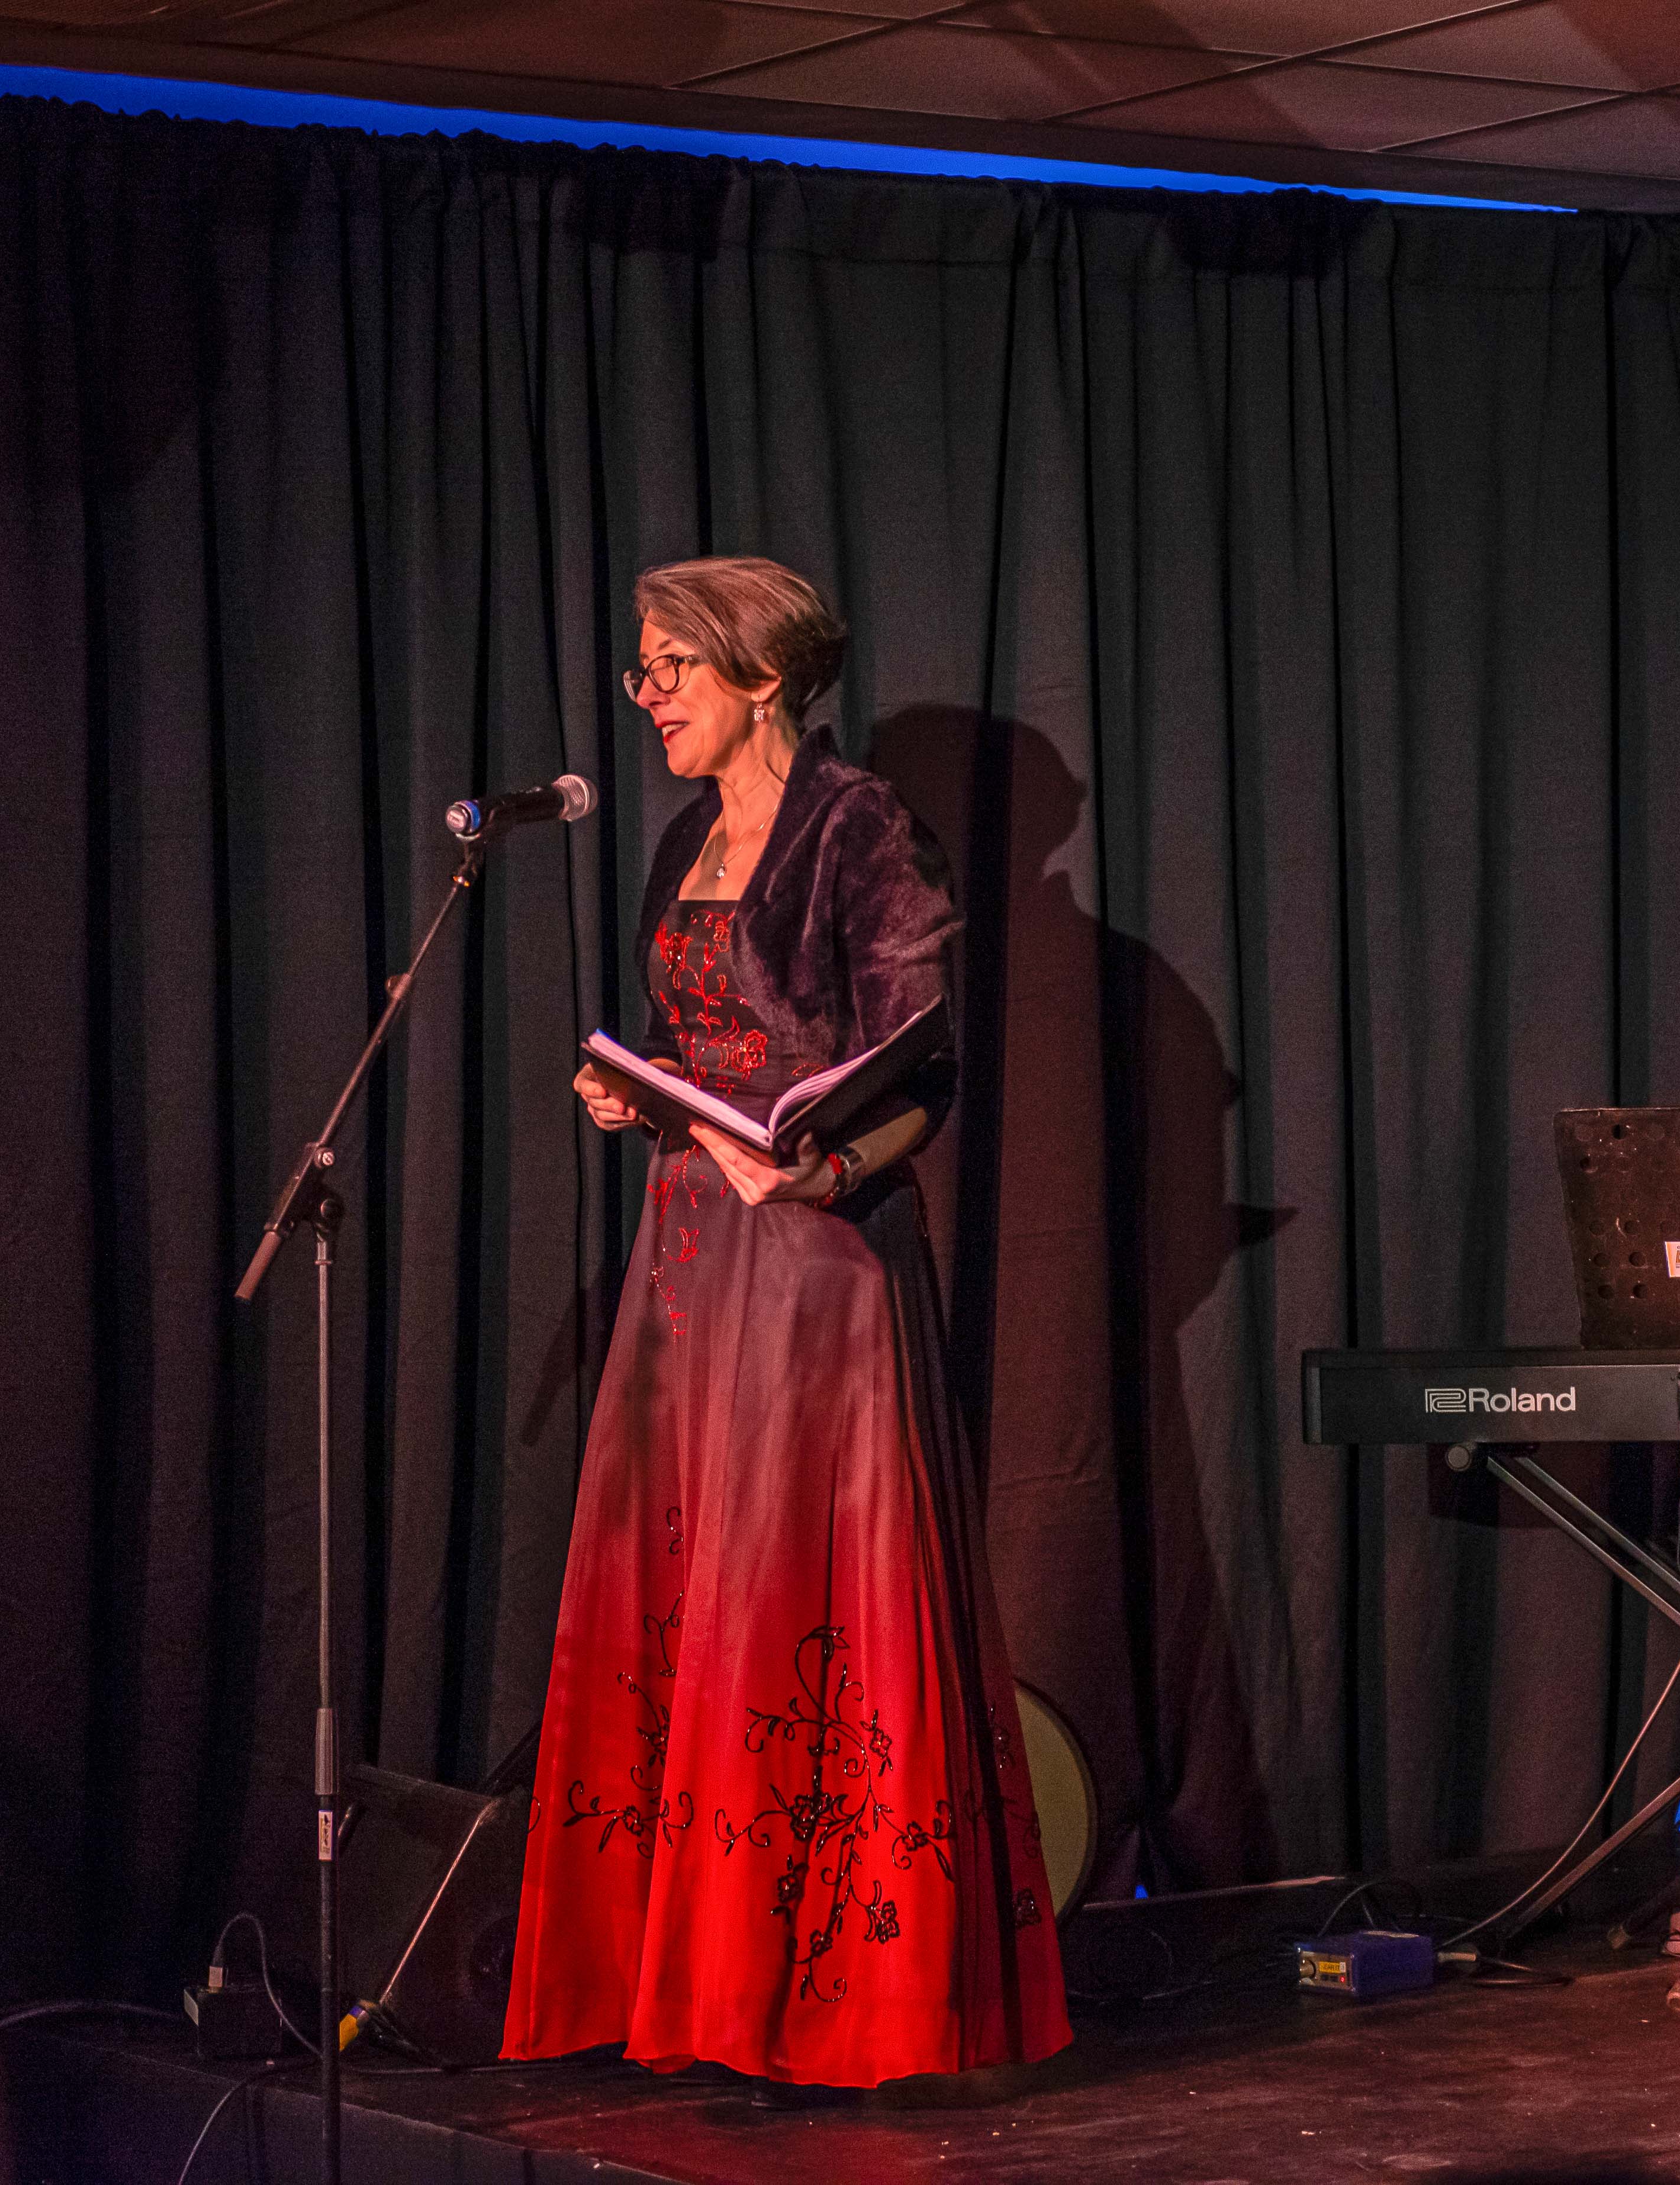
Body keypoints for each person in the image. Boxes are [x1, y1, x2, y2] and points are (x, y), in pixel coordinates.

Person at [503, 557, 1070, 2100]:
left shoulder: (859, 828)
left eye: (670, 666)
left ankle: (829, 1993)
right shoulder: (685, 837)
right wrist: (631, 1094)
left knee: (796, 1594)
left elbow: (924, 1071)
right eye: (642, 668)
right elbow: (685, 1043)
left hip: (818, 1262)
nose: (647, 696)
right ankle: (695, 1980)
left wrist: (822, 1168)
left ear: (760, 677)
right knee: (688, 1591)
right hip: (691, 1255)